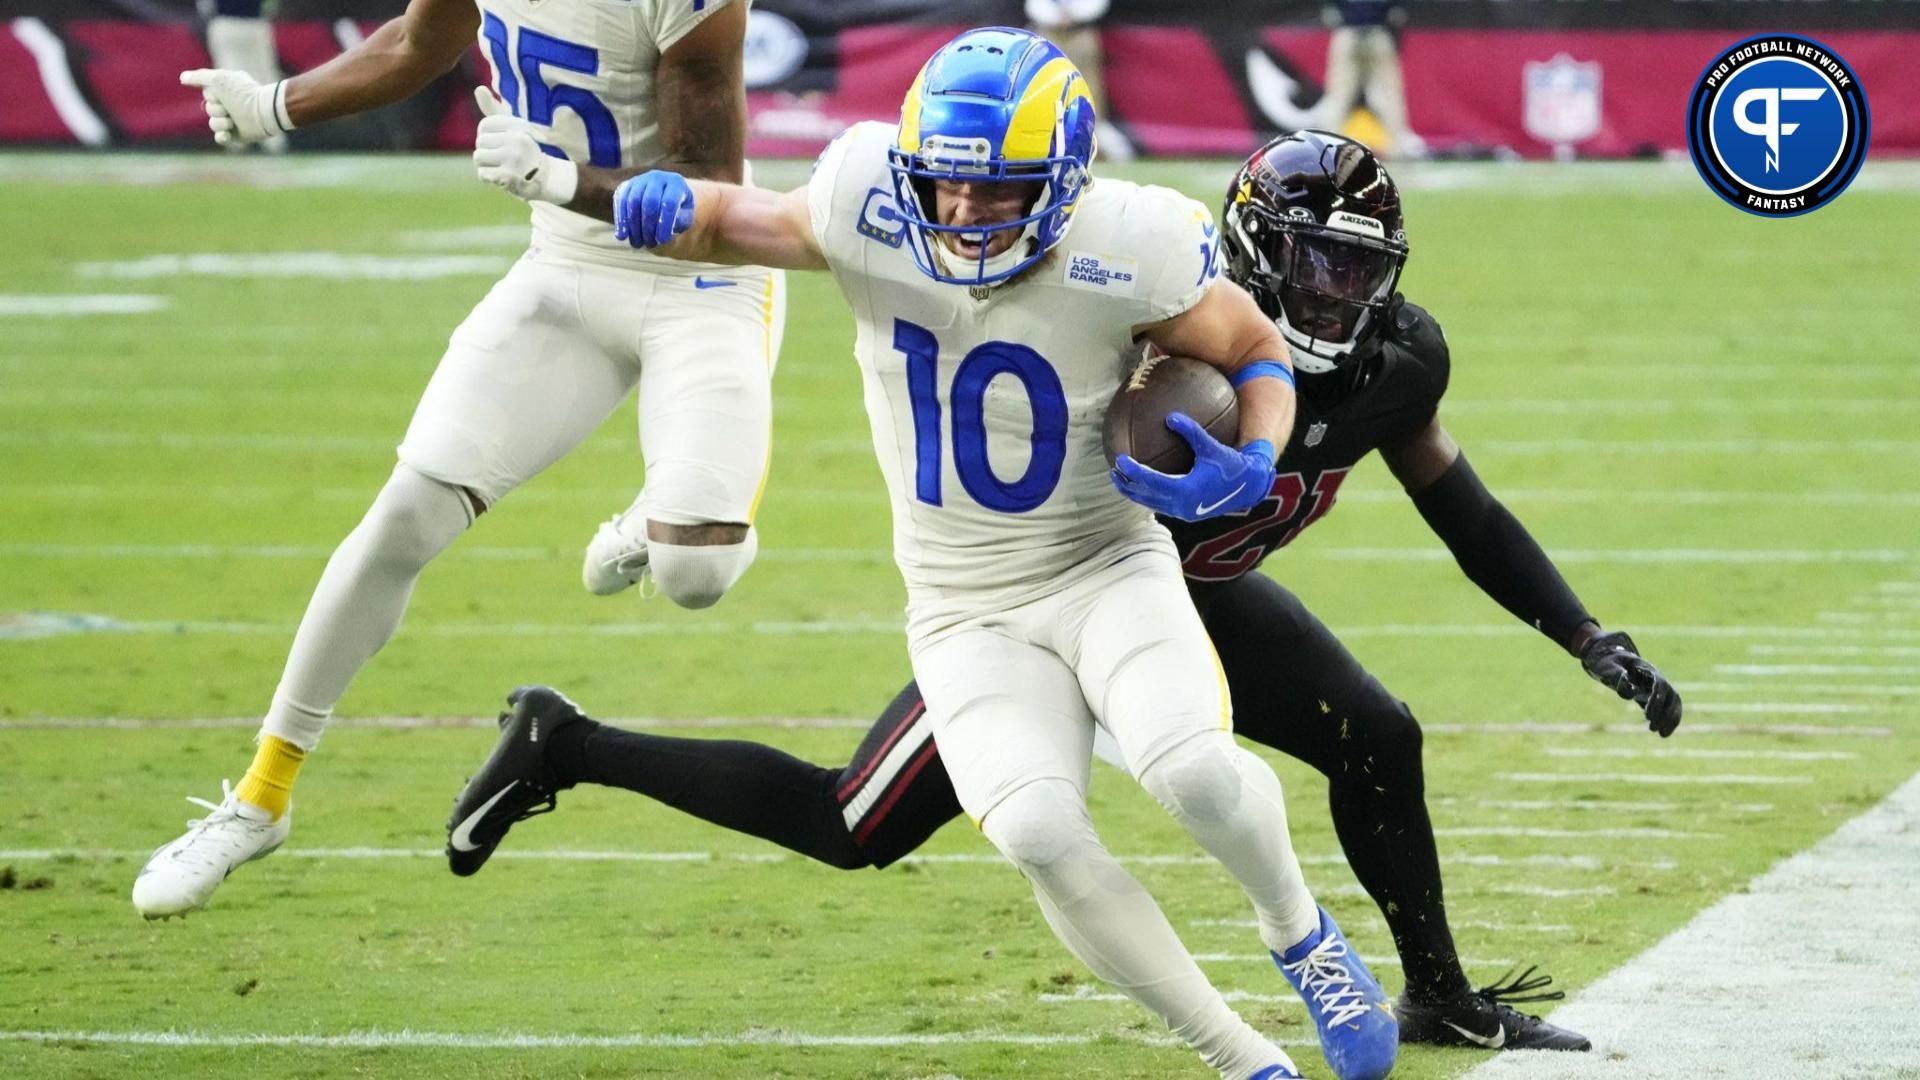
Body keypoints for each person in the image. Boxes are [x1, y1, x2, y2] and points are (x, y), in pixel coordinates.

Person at [450, 130, 1687, 1053]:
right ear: (1251, 247)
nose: (1331, 298)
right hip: (1045, 591)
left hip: (1178, 597)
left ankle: (1434, 993)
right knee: (856, 825)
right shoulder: (1164, 310)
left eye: (1354, 272)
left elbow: (1461, 509)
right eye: (1307, 267)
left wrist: (1586, 634)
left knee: (1378, 734)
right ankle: (568, 744)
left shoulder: (1395, 360)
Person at [453, 30, 1401, 1080]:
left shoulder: (1132, 240)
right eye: (945, 187)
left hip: (1104, 564)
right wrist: (632, 199)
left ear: (1064, 180)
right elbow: (742, 217)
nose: (962, 213)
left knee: (1192, 769)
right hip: (963, 605)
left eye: (998, 193)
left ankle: (1300, 936)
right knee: (1037, 827)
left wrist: (1255, 454)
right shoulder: (868, 199)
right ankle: (1241, 1060)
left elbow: (1255, 350)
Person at [132, 0, 785, 920]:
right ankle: (260, 796)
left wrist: (561, 179)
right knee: (404, 516)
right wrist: (276, 105)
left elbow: (706, 187)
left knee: (695, 571)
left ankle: (657, 518)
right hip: (562, 270)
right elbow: (416, 41)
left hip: (702, 278)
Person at [1316, 0, 1426, 160]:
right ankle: (1399, 145)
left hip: (1348, 33)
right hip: (1376, 32)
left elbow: (1329, 14)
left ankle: (1325, 147)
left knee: (1338, 97)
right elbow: (1397, 15)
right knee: (1387, 95)